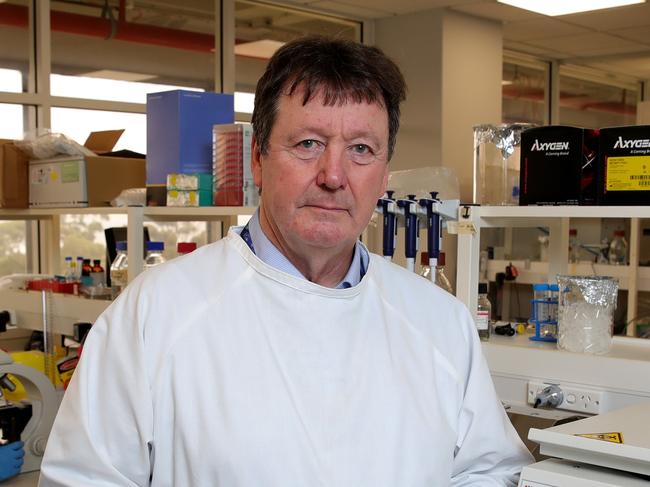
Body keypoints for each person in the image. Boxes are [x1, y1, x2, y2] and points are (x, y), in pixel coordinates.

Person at [40, 37, 532, 485]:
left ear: (384, 175)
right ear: (257, 157)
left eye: (361, 149)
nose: (333, 175)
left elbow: (490, 471)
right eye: (308, 144)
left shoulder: (440, 323)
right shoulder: (156, 314)